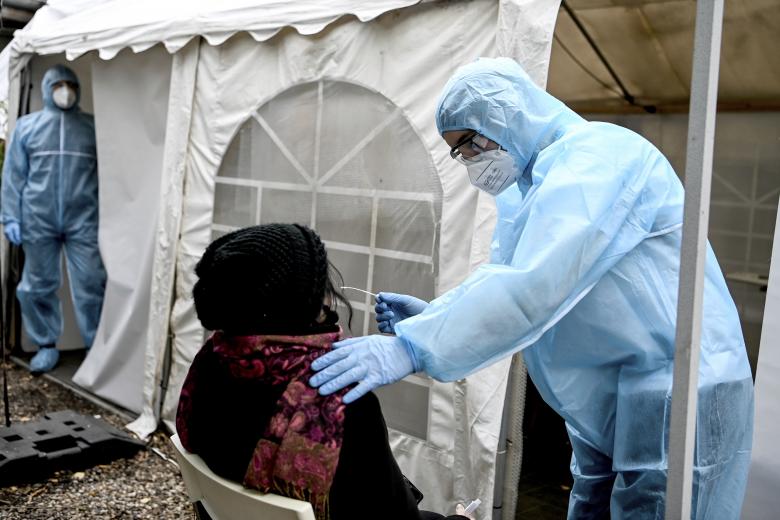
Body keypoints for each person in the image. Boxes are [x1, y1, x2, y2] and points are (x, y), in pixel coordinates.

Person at [309, 58, 754, 519]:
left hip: (677, 388)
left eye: (467, 144)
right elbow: (505, 281)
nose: (468, 163)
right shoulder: (525, 190)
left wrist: (412, 347)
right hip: (607, 397)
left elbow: (536, 283)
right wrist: (436, 314)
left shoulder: (601, 155)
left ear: (503, 115)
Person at [176, 224, 471, 520]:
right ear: (293, 303)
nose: (328, 296)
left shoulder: (211, 363)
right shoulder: (343, 404)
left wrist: (431, 331)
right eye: (318, 285)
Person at [0, 64, 106, 374]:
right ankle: (46, 344)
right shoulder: (27, 127)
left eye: (70, 84)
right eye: (58, 84)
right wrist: (11, 217)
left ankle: (95, 347)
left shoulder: (92, 128)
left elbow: (107, 174)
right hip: (38, 218)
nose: (65, 90)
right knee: (37, 285)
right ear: (47, 88)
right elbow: (14, 177)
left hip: (83, 218)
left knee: (91, 283)